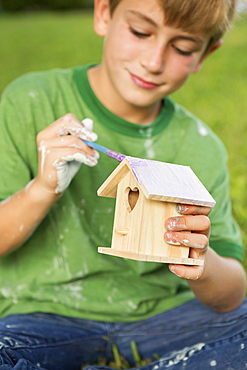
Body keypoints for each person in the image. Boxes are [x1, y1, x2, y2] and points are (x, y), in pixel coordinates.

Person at [0, 0, 246, 369]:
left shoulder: (200, 144)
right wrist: (42, 187)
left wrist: (202, 260)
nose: (154, 60)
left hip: (165, 319)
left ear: (204, 55)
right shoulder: (31, 100)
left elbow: (232, 295)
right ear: (103, 14)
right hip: (41, 318)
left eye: (181, 48)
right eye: (140, 32)